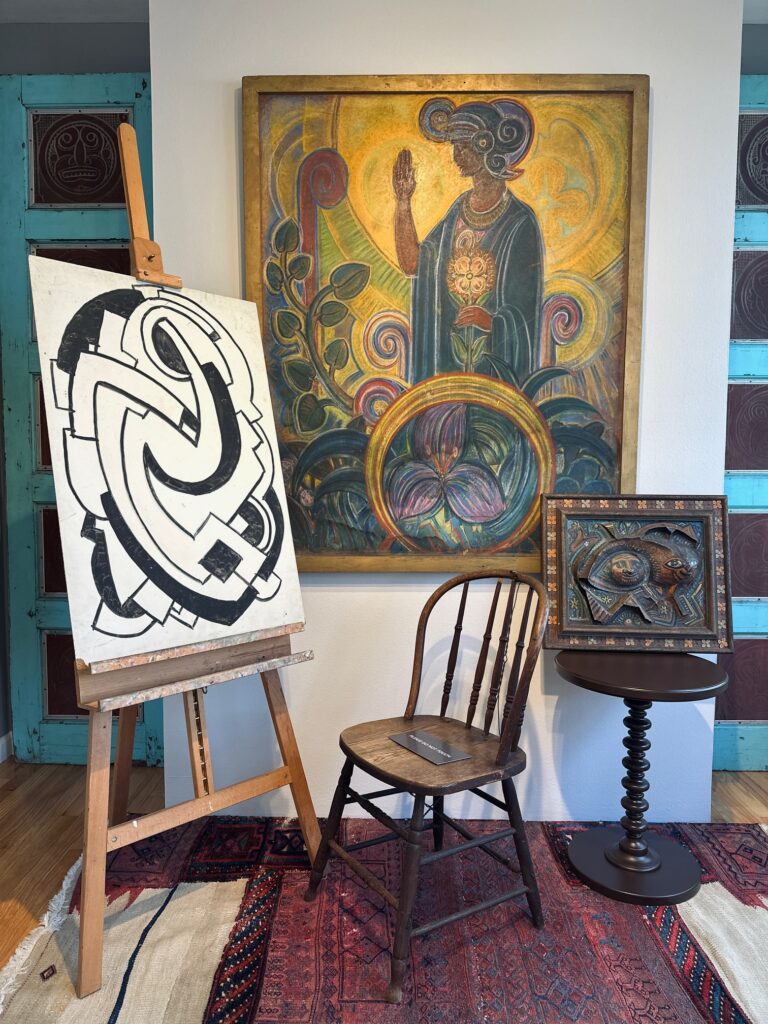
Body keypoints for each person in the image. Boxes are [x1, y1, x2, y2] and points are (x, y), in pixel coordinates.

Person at [393, 97, 543, 385]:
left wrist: (493, 323)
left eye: (463, 145)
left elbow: (526, 314)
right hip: (448, 368)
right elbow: (413, 264)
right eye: (454, 146)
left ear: (486, 145)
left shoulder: (520, 222)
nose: (456, 154)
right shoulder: (457, 213)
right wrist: (403, 202)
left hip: (494, 376)